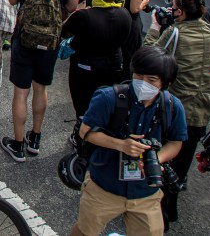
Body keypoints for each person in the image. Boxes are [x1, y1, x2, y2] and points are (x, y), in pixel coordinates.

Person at [70, 46, 187, 236]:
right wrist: (121, 144)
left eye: (151, 80)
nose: (142, 83)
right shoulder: (109, 98)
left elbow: (175, 143)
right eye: (138, 76)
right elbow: (85, 132)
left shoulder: (172, 107)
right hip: (104, 186)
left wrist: (157, 158)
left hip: (146, 192)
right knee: (85, 231)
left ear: (165, 83)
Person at [144, 0, 210, 226]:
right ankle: (171, 208)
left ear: (180, 12)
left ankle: (159, 215)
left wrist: (155, 28)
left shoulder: (175, 32)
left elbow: (151, 56)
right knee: (182, 164)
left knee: (162, 162)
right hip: (202, 111)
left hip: (176, 110)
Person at [2, 0, 80, 162]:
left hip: (24, 36)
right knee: (41, 88)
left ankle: (17, 143)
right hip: (50, 39)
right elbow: (71, 7)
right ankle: (35, 136)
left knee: (20, 92)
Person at [62, 0, 132, 119]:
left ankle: (81, 131)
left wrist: (76, 12)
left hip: (85, 68)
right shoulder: (125, 14)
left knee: (83, 104)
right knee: (104, 103)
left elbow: (63, 32)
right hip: (113, 66)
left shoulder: (84, 15)